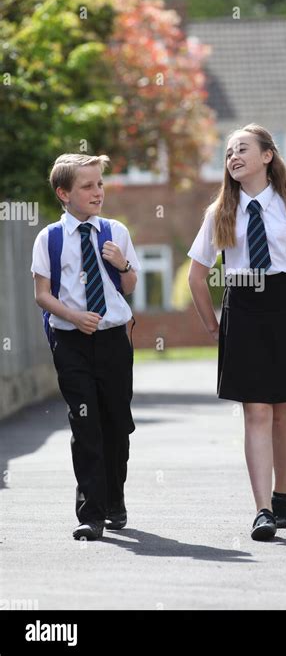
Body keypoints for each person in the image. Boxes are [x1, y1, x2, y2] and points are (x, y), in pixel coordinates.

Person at [187, 123, 286, 541]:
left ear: (267, 156)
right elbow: (196, 276)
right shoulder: (221, 210)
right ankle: (262, 511)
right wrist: (213, 325)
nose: (233, 157)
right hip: (244, 310)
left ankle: (282, 494)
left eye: (242, 149)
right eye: (228, 153)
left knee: (282, 411)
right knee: (256, 410)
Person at [31, 154, 141, 540]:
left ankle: (114, 499)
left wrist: (123, 265)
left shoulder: (115, 231)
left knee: (117, 424)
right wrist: (75, 317)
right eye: (87, 186)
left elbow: (129, 287)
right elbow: (42, 295)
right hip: (72, 341)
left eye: (99, 184)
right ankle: (90, 513)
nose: (98, 192)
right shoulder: (50, 238)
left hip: (113, 340)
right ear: (64, 193)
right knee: (85, 423)